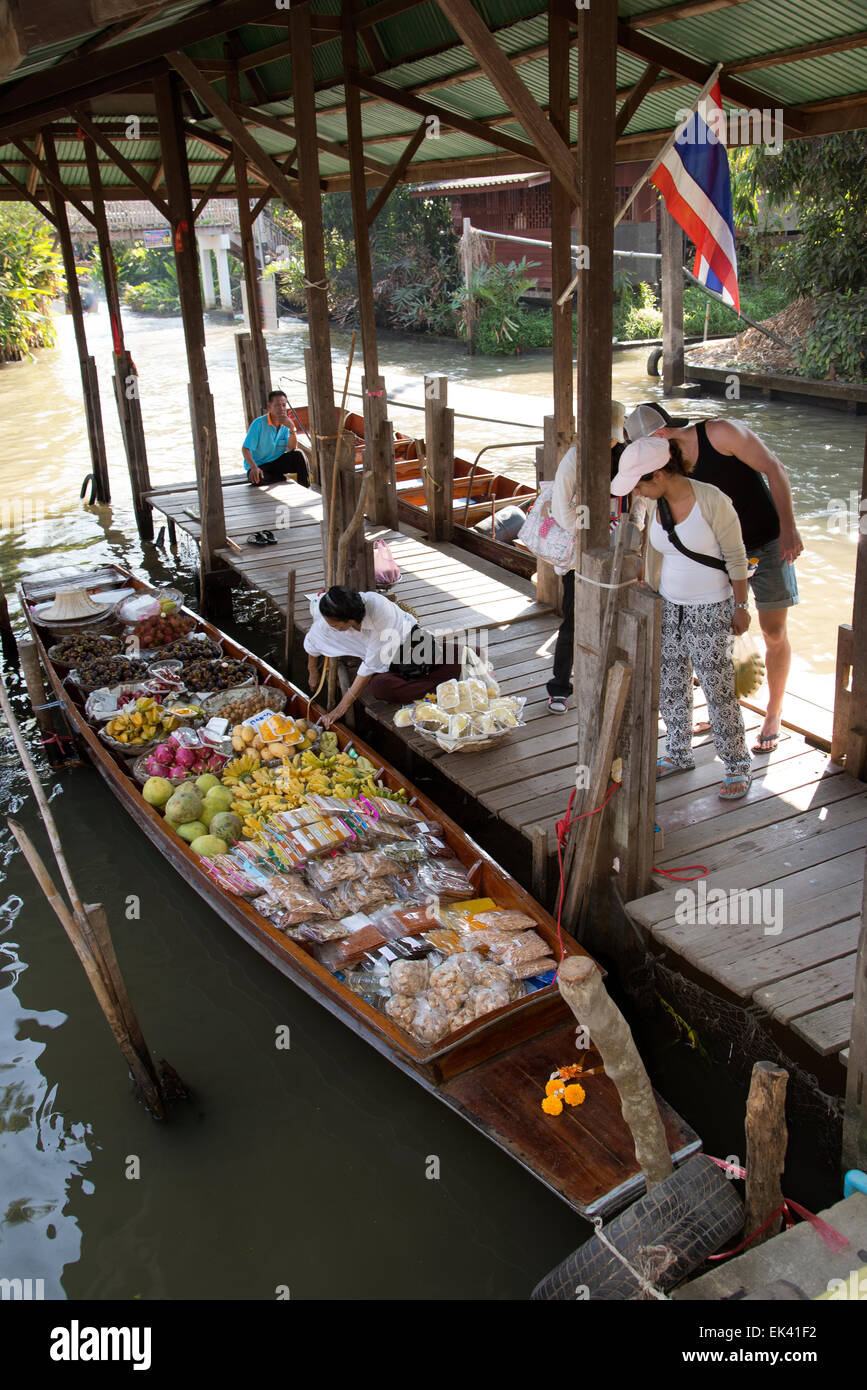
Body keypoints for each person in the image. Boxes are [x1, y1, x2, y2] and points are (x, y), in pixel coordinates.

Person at [624, 402, 803, 753]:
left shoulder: (720, 434)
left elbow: (775, 468)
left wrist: (789, 528)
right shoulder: (666, 468)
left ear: (660, 436)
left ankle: (773, 711)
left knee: (774, 631)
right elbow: (661, 514)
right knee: (714, 636)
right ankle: (721, 709)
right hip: (714, 553)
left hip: (766, 543)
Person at [611, 435, 752, 800]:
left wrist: (741, 607)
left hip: (711, 605)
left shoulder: (712, 500)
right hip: (668, 604)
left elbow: (737, 557)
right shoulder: (654, 504)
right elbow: (653, 548)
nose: (637, 491)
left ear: (658, 474)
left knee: (716, 687)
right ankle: (678, 751)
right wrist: (646, 578)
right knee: (670, 681)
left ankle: (736, 762)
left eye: (640, 482)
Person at [545, 400, 627, 714]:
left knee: (614, 620)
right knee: (574, 621)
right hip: (580, 554)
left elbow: (639, 501)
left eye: (612, 436)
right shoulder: (574, 458)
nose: (607, 441)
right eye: (601, 434)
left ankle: (608, 683)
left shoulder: (624, 457)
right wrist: (590, 533)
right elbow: (560, 509)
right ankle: (559, 687)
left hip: (617, 553)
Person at [304, 586, 464, 729]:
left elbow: (368, 667)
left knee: (426, 663)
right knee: (381, 687)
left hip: (406, 643)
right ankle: (447, 674)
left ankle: (444, 679)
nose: (334, 629)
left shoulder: (379, 610)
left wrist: (340, 709)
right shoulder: (329, 617)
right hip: (384, 659)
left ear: (350, 620)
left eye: (337, 626)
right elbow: (313, 639)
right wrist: (312, 671)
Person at [242, 390, 310, 488]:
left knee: (299, 455)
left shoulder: (286, 423)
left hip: (277, 462)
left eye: (283, 405)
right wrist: (253, 467)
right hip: (260, 465)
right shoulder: (259, 423)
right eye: (277, 405)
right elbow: (245, 449)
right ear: (269, 406)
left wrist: (292, 428)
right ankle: (279, 477)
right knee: (257, 479)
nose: (281, 408)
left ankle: (306, 487)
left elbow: (292, 448)